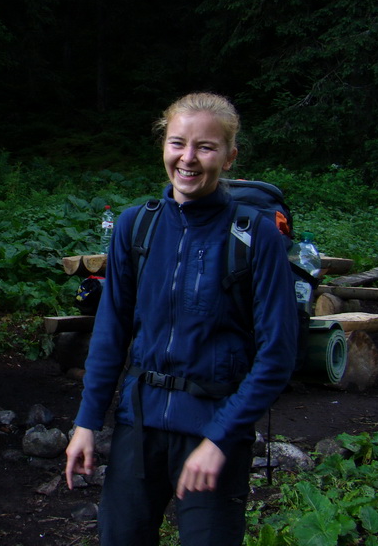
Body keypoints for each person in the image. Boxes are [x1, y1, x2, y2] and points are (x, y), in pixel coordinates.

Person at [64, 93, 298, 545]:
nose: (188, 159)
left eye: (205, 147)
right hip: (139, 423)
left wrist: (219, 439)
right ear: (163, 147)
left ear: (230, 157)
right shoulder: (136, 227)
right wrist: (87, 422)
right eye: (177, 143)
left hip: (215, 425)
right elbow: (110, 333)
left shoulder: (256, 237)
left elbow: (277, 354)